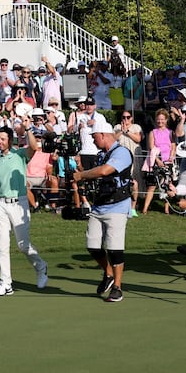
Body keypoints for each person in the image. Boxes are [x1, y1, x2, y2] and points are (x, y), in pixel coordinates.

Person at [68, 115, 136, 302]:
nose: (92, 139)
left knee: (115, 249)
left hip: (117, 205)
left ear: (103, 134)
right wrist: (84, 180)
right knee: (93, 245)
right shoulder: (101, 155)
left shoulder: (121, 152)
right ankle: (108, 273)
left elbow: (106, 171)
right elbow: (97, 175)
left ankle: (118, 287)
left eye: (94, 136)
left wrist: (81, 175)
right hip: (100, 205)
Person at [0, 126, 49, 296]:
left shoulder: (20, 154)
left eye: (2, 139)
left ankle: (41, 266)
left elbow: (34, 147)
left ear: (10, 140)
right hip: (1, 205)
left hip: (19, 204)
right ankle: (6, 283)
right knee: (2, 246)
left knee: (23, 245)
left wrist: (28, 128)